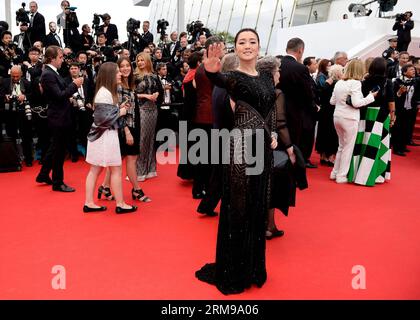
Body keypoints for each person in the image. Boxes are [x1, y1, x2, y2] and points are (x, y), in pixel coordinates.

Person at [195, 28, 279, 295]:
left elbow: (271, 107)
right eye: (242, 42)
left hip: (263, 148)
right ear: (236, 47)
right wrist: (209, 67)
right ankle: (234, 270)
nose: (247, 46)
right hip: (241, 148)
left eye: (252, 41)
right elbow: (216, 77)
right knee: (239, 207)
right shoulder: (232, 77)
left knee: (257, 204)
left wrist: (273, 132)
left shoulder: (267, 77)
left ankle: (253, 266)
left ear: (258, 45)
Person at [84, 62, 137, 214]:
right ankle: (120, 204)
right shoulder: (104, 93)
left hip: (102, 136)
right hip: (104, 136)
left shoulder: (106, 92)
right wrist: (120, 112)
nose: (121, 74)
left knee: (96, 170)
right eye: (118, 72)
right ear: (110, 75)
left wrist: (119, 110)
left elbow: (105, 116)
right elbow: (103, 119)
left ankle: (90, 202)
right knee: (114, 170)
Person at [256, 56, 299, 240]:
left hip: (251, 141)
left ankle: (264, 225)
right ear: (272, 72)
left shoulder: (252, 89)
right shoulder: (276, 93)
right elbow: (280, 122)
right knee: (271, 186)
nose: (280, 73)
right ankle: (269, 226)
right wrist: (289, 147)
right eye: (278, 70)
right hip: (270, 143)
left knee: (258, 185)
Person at [98, 57, 151, 203]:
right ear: (118, 70)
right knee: (131, 159)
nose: (126, 68)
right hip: (125, 127)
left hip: (133, 124)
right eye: (122, 67)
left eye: (128, 65)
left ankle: (104, 187)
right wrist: (127, 131)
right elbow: (118, 112)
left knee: (118, 159)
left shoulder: (129, 83)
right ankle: (136, 189)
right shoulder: (119, 86)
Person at [36, 45, 84, 191]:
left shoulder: (53, 73)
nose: (63, 60)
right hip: (58, 117)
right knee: (59, 151)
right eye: (61, 57)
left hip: (60, 115)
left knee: (55, 147)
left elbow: (58, 94)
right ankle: (58, 182)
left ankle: (43, 174)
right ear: (52, 58)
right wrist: (74, 85)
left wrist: (67, 95)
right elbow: (59, 95)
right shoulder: (49, 74)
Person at [329, 59, 377, 184]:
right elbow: (356, 103)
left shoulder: (339, 82)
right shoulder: (356, 83)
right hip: (349, 118)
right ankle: (341, 176)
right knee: (348, 148)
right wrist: (370, 97)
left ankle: (334, 172)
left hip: (337, 116)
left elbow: (332, 101)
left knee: (341, 146)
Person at [348, 57, 394, 186]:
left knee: (362, 143)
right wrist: (393, 114)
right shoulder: (388, 82)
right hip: (381, 116)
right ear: (384, 69)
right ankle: (375, 175)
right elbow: (391, 101)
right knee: (377, 145)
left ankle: (357, 172)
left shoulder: (364, 82)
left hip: (365, 114)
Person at [134, 52, 161, 181]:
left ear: (147, 61)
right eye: (138, 61)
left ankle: (150, 169)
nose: (140, 63)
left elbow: (159, 90)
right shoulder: (135, 77)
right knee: (142, 139)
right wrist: (146, 96)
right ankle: (138, 171)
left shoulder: (154, 76)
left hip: (153, 109)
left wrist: (156, 94)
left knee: (151, 139)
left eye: (142, 60)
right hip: (142, 109)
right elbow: (132, 94)